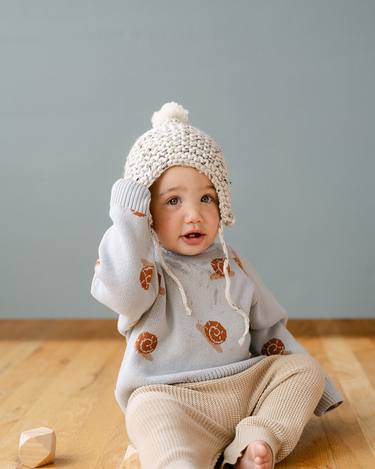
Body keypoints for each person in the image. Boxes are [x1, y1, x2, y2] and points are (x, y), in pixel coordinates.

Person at [91, 102, 343, 469]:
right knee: (146, 411)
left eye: (206, 198)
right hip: (172, 398)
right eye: (173, 200)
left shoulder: (233, 262)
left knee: (303, 370)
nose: (194, 214)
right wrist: (129, 224)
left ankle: (259, 438)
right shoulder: (145, 266)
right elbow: (123, 293)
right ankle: (179, 461)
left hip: (244, 389)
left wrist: (317, 387)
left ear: (222, 202)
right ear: (147, 211)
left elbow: (269, 329)